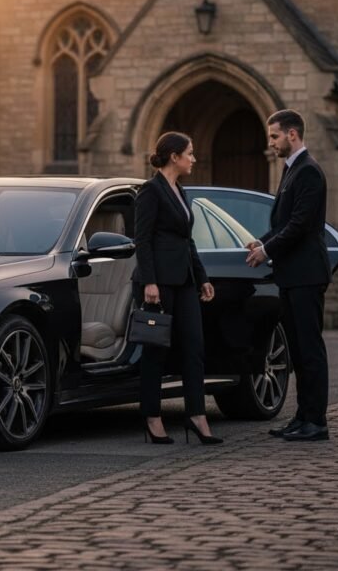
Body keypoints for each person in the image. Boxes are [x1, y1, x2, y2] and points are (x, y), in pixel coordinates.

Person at [246, 109, 332, 442]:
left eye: (274, 136)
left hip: (307, 274)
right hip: (291, 275)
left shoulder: (309, 171)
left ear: (292, 134)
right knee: (297, 349)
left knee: (310, 349)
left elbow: (300, 225)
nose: (271, 143)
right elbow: (283, 225)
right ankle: (302, 417)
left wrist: (267, 252)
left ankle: (317, 422)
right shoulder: (292, 170)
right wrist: (262, 242)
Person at [133, 132, 220, 445]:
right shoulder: (150, 191)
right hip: (159, 283)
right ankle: (152, 417)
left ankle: (197, 415)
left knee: (195, 347)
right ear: (174, 156)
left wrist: (203, 277)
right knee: (156, 349)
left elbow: (188, 240)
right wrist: (150, 281)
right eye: (190, 153)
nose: (194, 159)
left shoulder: (181, 192)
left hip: (184, 281)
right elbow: (141, 239)